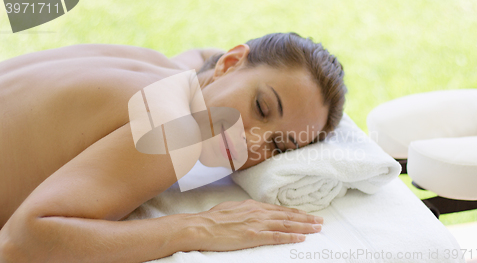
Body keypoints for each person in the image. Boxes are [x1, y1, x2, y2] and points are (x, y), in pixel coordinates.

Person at [0, 32, 346, 262]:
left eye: (278, 144)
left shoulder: (168, 68)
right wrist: (200, 227)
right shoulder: (175, 125)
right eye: (262, 107)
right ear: (228, 64)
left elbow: (204, 54)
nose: (251, 139)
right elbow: (21, 241)